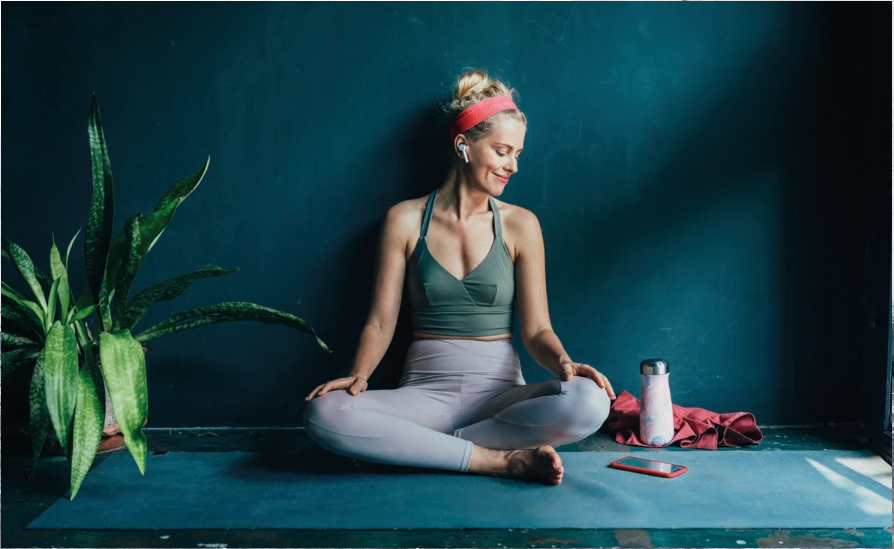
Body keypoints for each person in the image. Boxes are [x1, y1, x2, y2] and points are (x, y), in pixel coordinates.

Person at [304, 70, 615, 485]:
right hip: (423, 395)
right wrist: (359, 375)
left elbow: (537, 328)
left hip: (501, 397)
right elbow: (380, 322)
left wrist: (563, 362)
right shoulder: (405, 220)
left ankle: (420, 448)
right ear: (463, 145)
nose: (513, 166)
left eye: (518, 154)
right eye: (503, 151)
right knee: (323, 414)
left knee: (590, 402)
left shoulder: (522, 225)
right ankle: (499, 460)